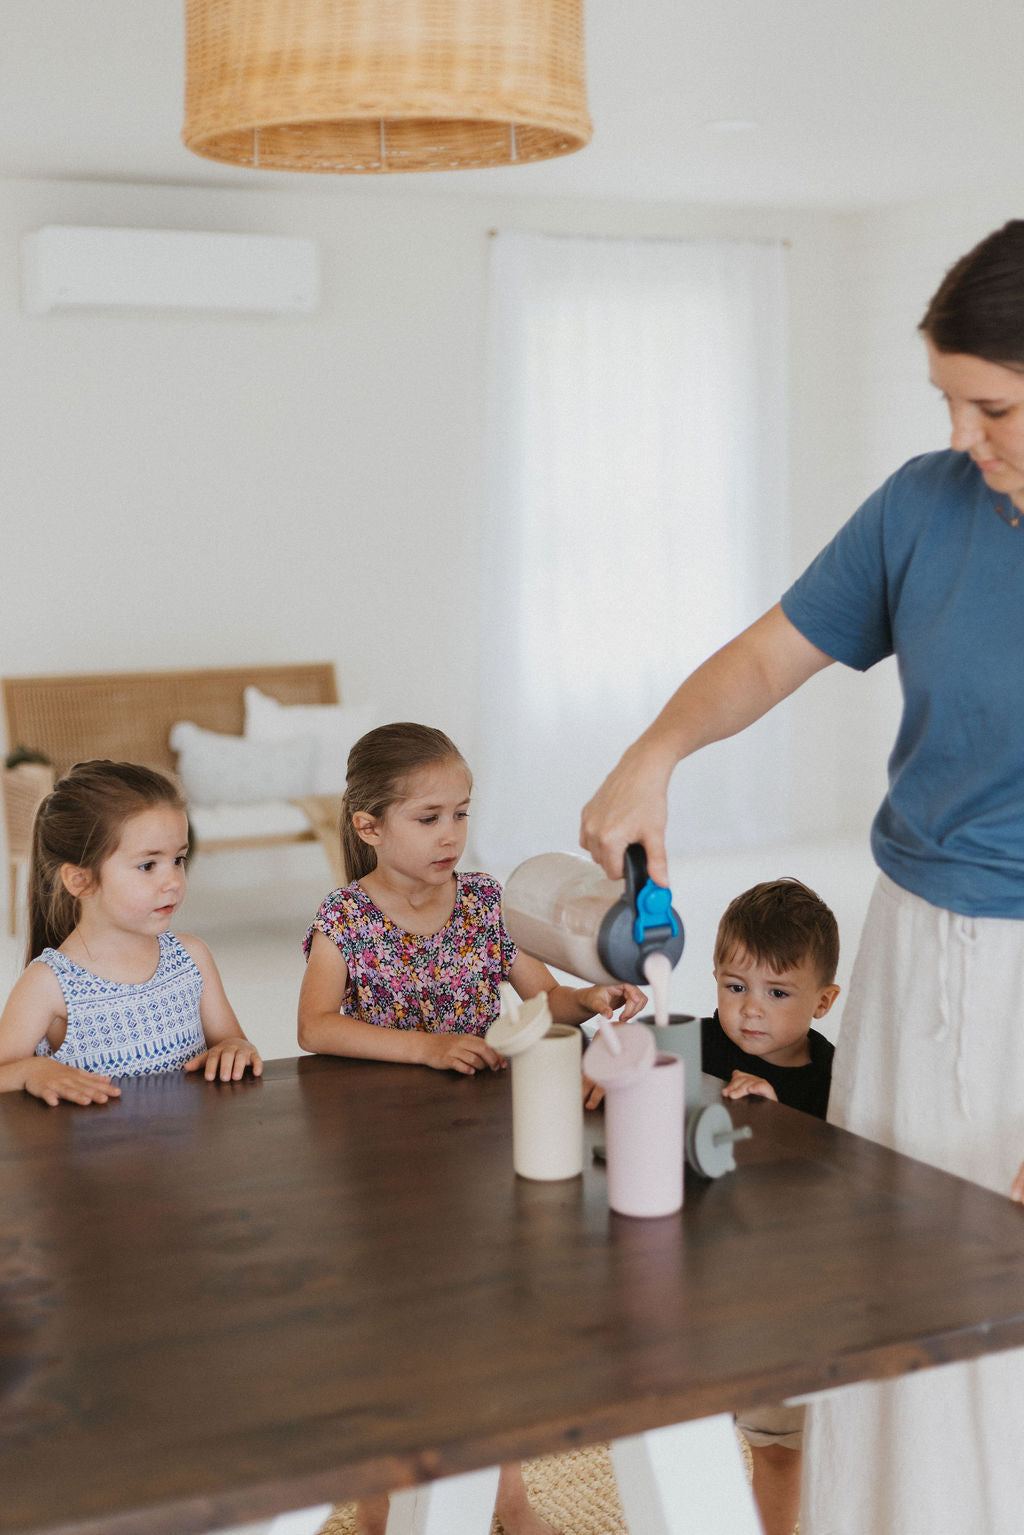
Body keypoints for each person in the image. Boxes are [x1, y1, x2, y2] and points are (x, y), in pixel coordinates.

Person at [579, 218, 1024, 1535]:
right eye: (948, 401)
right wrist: (656, 751)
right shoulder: (925, 504)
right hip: (917, 939)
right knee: (896, 1286)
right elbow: (771, 655)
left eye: (993, 405)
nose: (964, 436)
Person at [298, 721, 645, 1535]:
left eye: (461, 812)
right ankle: (385, 1502)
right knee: (396, 1330)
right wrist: (424, 1047)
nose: (451, 833)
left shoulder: (486, 900)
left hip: (477, 1144)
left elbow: (540, 997)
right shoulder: (344, 914)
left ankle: (511, 1499)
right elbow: (315, 1024)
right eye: (428, 818)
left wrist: (586, 997)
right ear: (370, 827)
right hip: (378, 1153)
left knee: (492, 1325)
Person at [701, 877, 839, 1535]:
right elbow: (621, 1049)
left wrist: (780, 1118)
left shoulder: (835, 1079)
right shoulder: (705, 1042)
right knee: (699, 1445)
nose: (750, 1010)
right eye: (735, 986)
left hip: (786, 1300)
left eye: (777, 993)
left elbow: (839, 1180)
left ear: (824, 1000)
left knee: (780, 1449)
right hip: (704, 1290)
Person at [0, 760, 261, 1103]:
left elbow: (232, 1041)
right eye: (148, 865)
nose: (172, 881)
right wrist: (31, 1070)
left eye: (178, 860)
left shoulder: (192, 957)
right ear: (80, 880)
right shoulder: (48, 983)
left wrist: (235, 1049)